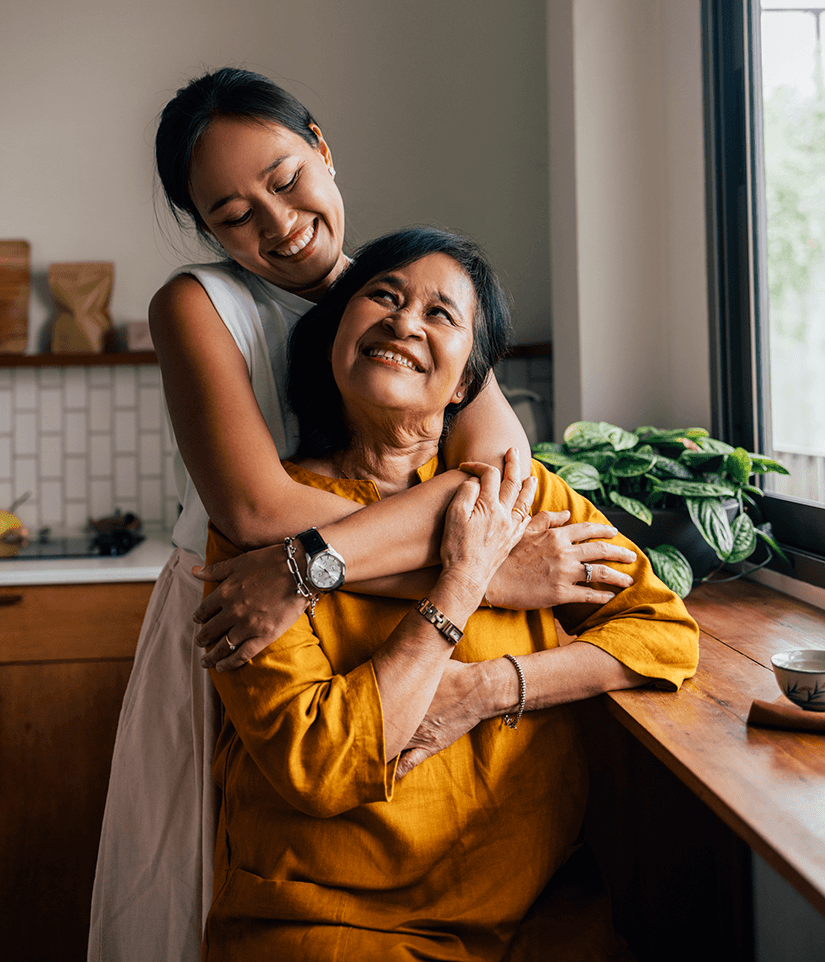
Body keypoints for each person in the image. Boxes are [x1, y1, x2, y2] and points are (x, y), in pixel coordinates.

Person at [88, 70, 636, 962]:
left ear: (322, 145)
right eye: (232, 213)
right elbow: (256, 504)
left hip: (356, 608)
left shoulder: (417, 290)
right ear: (204, 231)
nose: (276, 221)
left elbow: (499, 482)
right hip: (251, 625)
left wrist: (324, 565)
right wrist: (481, 570)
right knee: (215, 884)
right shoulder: (194, 304)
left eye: (284, 177)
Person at [202, 227, 700, 961]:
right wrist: (467, 581)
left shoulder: (519, 497)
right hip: (329, 924)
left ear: (468, 381)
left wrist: (489, 690)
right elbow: (323, 763)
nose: (405, 321)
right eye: (383, 296)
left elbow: (661, 633)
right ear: (335, 336)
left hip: (539, 911)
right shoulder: (266, 532)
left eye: (441, 314)